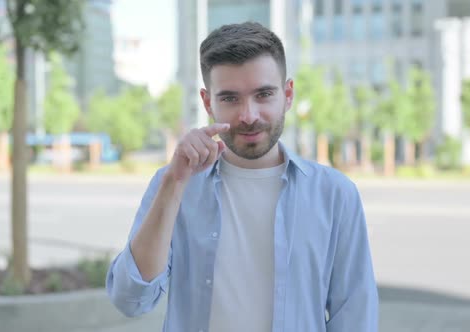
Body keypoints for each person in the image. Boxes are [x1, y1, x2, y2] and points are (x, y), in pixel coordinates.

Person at [106, 21, 378, 332]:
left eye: (263, 94)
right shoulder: (173, 185)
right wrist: (174, 183)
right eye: (230, 99)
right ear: (208, 103)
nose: (248, 115)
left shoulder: (335, 194)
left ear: (287, 95)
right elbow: (130, 299)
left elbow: (354, 316)